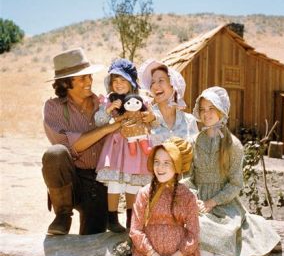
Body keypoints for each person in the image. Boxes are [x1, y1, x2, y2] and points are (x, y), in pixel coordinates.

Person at [185, 86, 281, 256]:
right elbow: (188, 177)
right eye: (203, 109)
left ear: (222, 112)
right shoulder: (194, 142)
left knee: (226, 233)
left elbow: (236, 184)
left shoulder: (233, 145)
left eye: (212, 109)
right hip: (200, 201)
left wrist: (214, 200)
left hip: (225, 201)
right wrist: (196, 198)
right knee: (203, 230)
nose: (207, 114)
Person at [42, 48, 122, 235]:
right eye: (82, 78)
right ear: (65, 83)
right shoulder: (53, 108)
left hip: (98, 181)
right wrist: (106, 129)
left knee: (93, 239)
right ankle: (62, 215)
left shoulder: (104, 104)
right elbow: (70, 146)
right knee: (55, 153)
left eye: (90, 76)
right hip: (70, 179)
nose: (89, 82)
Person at [95, 59, 154, 232]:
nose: (118, 84)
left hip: (136, 146)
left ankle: (131, 218)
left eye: (123, 80)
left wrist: (149, 117)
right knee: (114, 182)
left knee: (133, 183)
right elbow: (99, 122)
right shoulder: (108, 100)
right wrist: (108, 110)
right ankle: (111, 218)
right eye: (115, 81)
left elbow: (151, 121)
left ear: (131, 82)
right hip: (116, 147)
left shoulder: (141, 100)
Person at [138, 59, 199, 145]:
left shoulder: (189, 121)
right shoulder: (147, 118)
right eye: (152, 83)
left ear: (173, 84)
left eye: (161, 80)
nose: (155, 86)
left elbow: (196, 155)